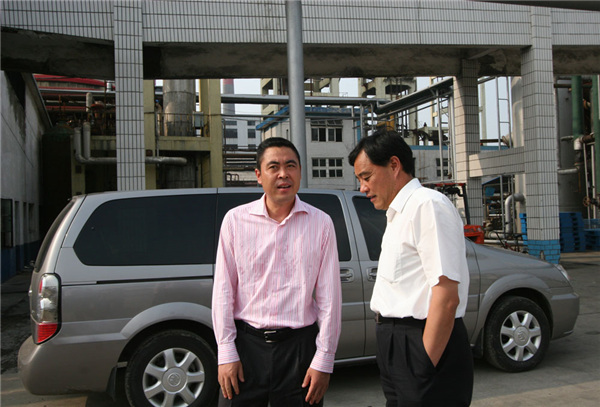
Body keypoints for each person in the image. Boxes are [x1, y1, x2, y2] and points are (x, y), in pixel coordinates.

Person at [212, 137, 342, 407]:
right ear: (259, 175)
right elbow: (223, 292)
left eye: (290, 166)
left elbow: (330, 299)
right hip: (246, 348)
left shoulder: (321, 223)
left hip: (300, 350)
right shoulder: (235, 221)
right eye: (274, 167)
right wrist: (226, 352)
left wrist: (324, 359)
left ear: (300, 172)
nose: (283, 174)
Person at [348, 129, 474, 406]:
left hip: (420, 340)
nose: (362, 188)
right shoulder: (398, 213)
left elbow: (446, 296)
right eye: (360, 180)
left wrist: (422, 365)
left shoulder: (427, 206)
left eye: (367, 177)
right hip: (396, 342)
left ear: (394, 165)